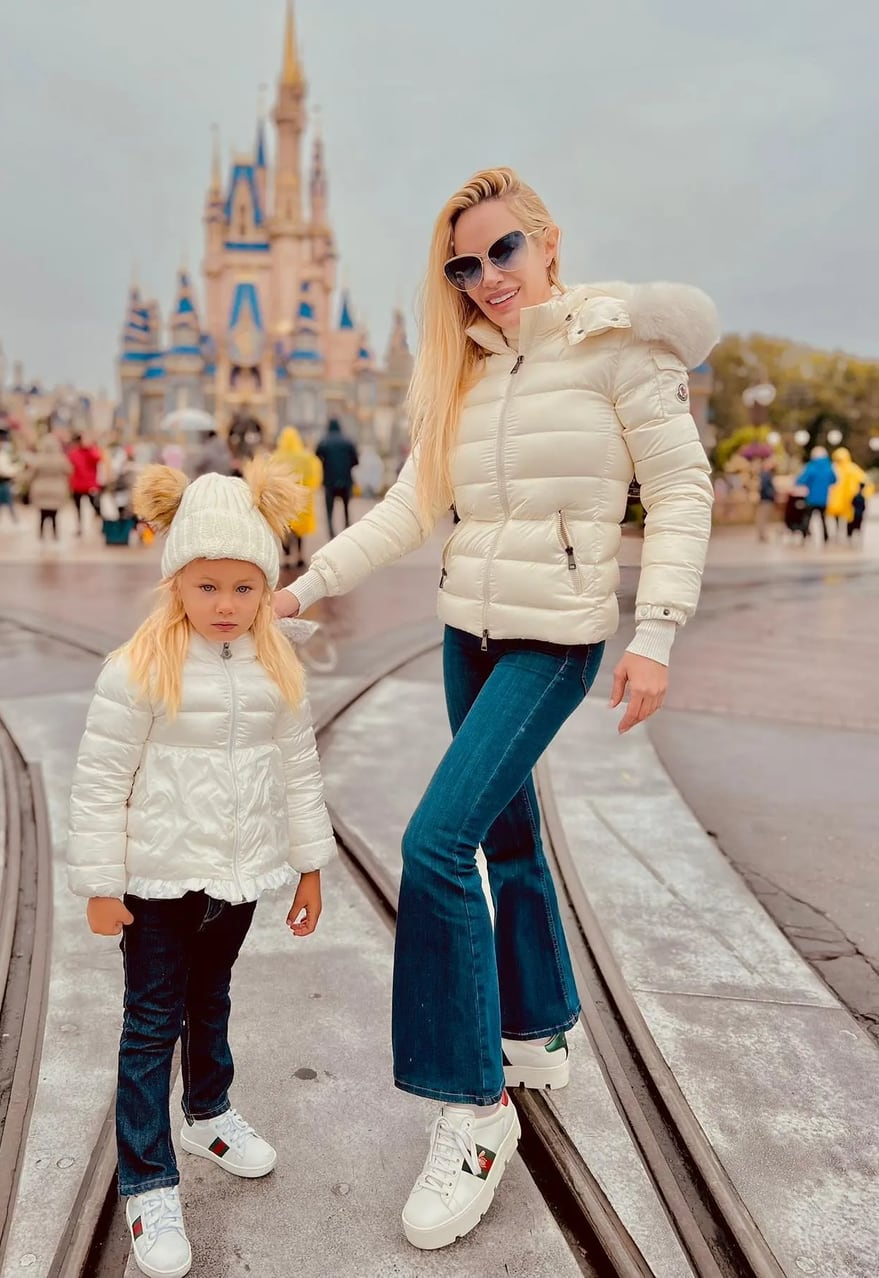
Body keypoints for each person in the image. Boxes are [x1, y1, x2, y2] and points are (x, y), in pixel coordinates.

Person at [275, 166, 716, 1251]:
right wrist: (298, 586)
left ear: (546, 241)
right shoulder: (461, 372)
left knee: (434, 845)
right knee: (506, 841)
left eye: (502, 251)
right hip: (468, 634)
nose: (486, 279)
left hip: (554, 639)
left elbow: (681, 491)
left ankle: (473, 1112)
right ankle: (538, 1031)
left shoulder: (620, 346)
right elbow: (407, 509)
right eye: (463, 265)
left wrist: (653, 633)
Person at [66, 454, 335, 1278]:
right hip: (154, 883)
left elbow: (298, 769)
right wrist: (102, 884)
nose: (226, 605)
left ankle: (209, 1111)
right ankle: (148, 1182)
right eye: (206, 586)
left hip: (237, 878)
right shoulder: (138, 669)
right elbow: (99, 780)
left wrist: (309, 866)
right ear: (175, 584)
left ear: (266, 588)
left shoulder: (277, 666)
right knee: (150, 1023)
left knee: (210, 998)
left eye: (244, 588)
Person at [273, 426, 322, 568]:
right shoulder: (306, 458)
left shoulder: (277, 457)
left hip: (283, 499)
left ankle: (287, 557)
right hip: (302, 497)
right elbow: (315, 473)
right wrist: (310, 489)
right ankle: (300, 555)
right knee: (300, 528)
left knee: (285, 528)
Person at [315, 418, 360, 537]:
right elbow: (356, 461)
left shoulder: (324, 441)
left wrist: (326, 464)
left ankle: (331, 536)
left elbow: (317, 456)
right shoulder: (348, 441)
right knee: (346, 509)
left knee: (329, 511)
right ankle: (346, 531)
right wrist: (347, 465)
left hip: (329, 481)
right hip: (346, 480)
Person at [24, 434, 73, 541]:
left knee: (42, 514)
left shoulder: (38, 458)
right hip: (57, 489)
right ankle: (55, 534)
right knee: (54, 514)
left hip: (41, 489)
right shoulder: (61, 458)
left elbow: (30, 475)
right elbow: (69, 471)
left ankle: (41, 535)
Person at [826, 446, 873, 537]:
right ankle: (844, 532)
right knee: (843, 517)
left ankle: (847, 533)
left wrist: (863, 493)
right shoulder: (835, 468)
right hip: (840, 499)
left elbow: (865, 481)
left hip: (847, 498)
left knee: (848, 517)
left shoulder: (839, 468)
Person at [795, 446, 837, 544]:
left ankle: (804, 536)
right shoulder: (829, 466)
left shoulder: (811, 466)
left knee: (807, 518)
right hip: (824, 498)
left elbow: (801, 480)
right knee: (823, 519)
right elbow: (834, 480)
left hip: (812, 497)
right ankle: (826, 537)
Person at [66, 433, 104, 533]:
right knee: (78, 509)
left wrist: (90, 447)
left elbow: (98, 458)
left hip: (89, 485)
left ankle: (102, 525)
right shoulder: (73, 453)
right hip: (78, 486)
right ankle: (79, 527)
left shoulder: (90, 452)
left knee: (96, 506)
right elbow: (69, 468)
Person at [756, 459, 777, 543]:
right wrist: (772, 494)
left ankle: (763, 534)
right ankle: (762, 534)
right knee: (763, 517)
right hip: (766, 499)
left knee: (764, 517)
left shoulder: (765, 475)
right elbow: (765, 488)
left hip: (766, 498)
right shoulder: (766, 475)